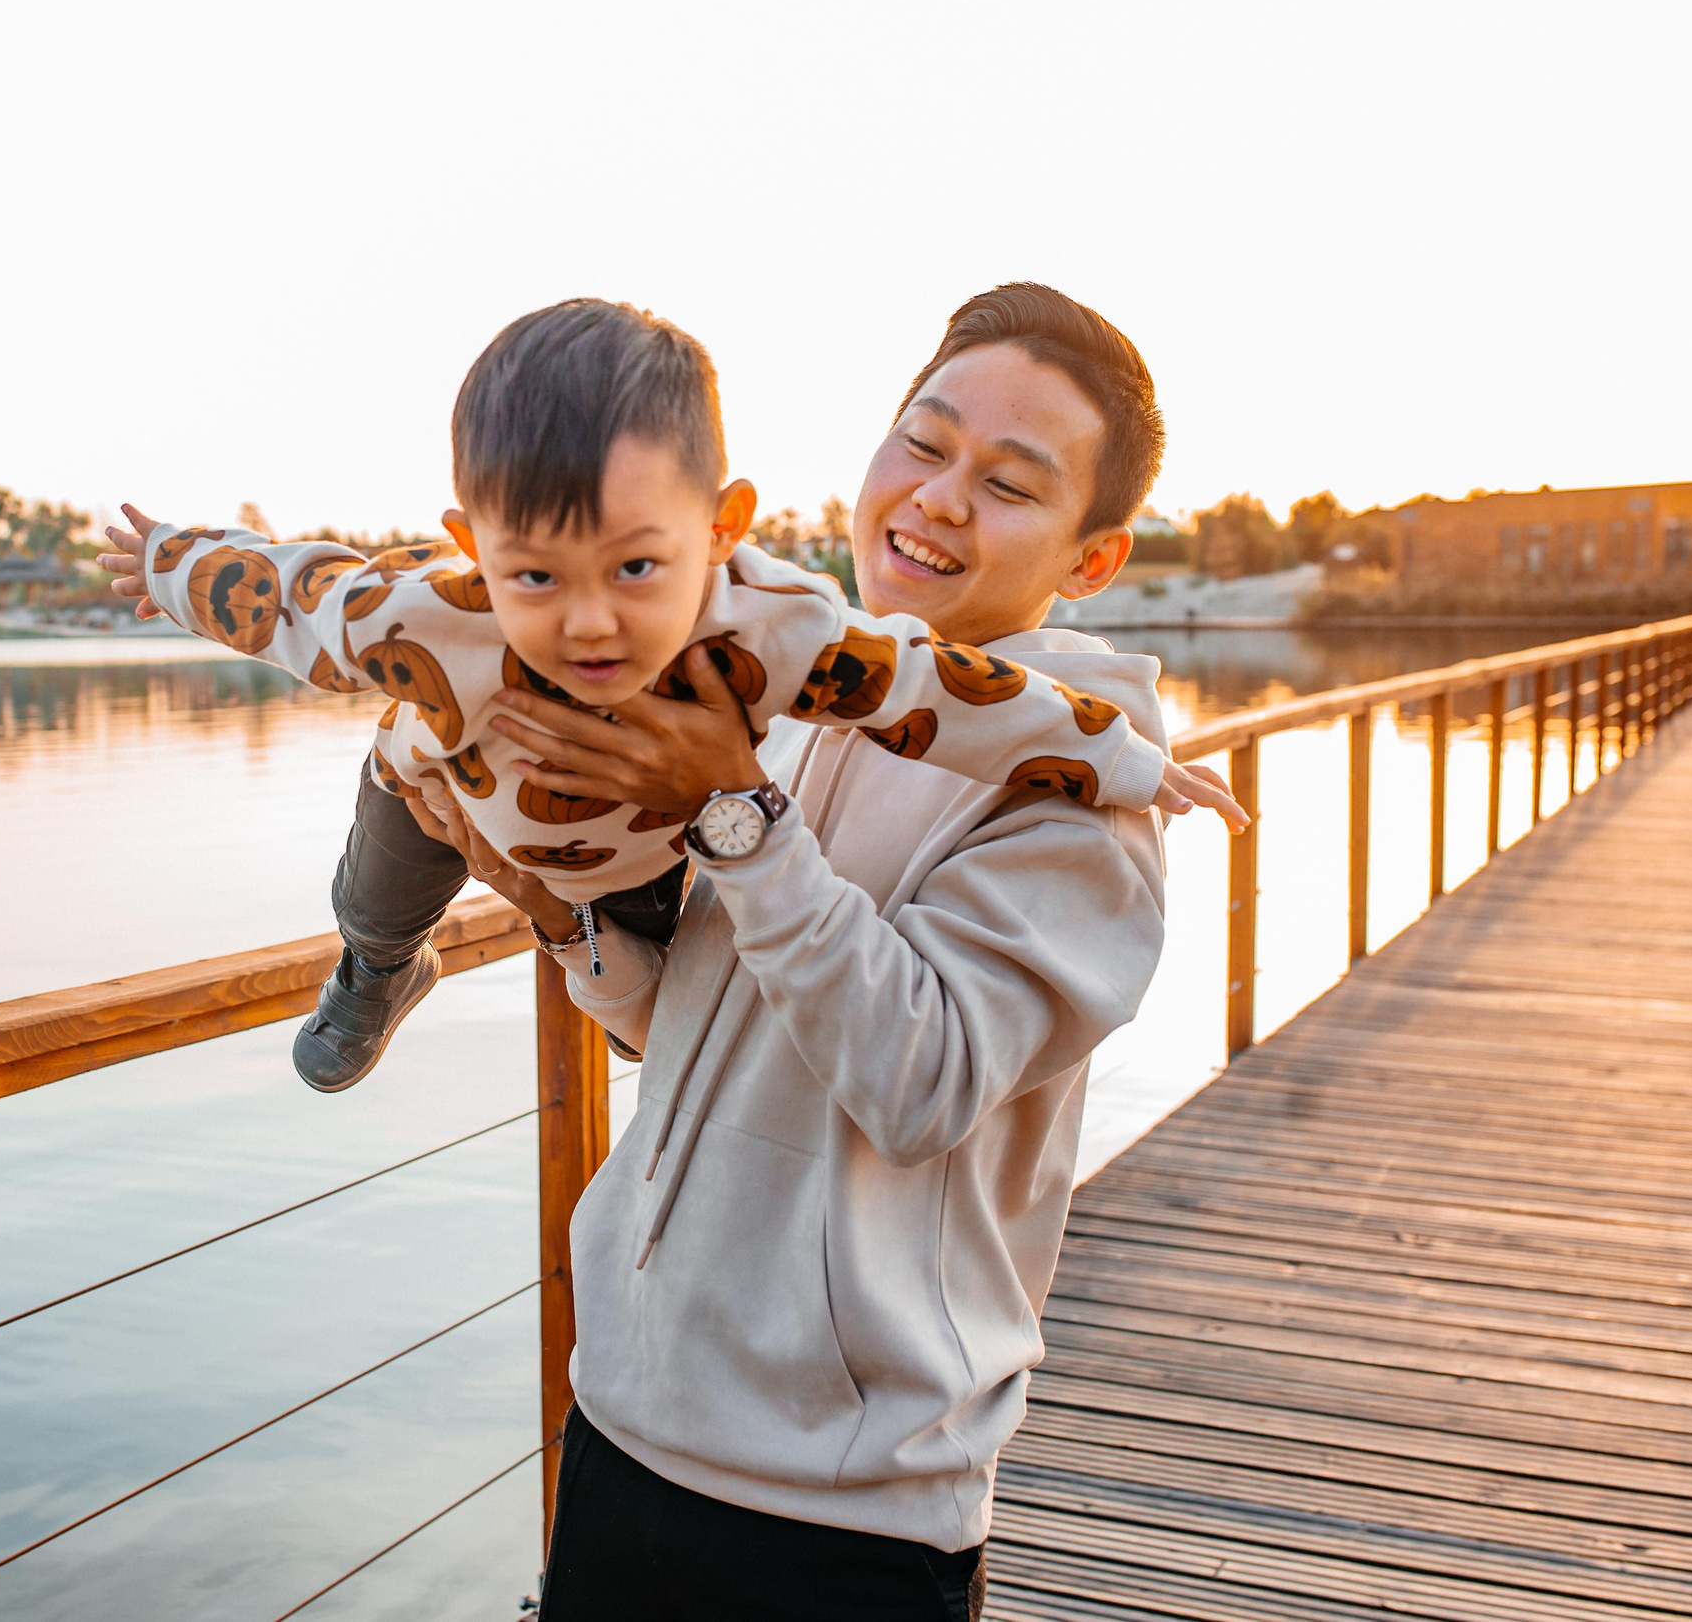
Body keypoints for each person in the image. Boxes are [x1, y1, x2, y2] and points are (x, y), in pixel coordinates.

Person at [412, 283, 1186, 1620]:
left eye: (1008, 481)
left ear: (1092, 556)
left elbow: (919, 1077)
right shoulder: (787, 703)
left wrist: (732, 809)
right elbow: (697, 1029)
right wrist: (553, 906)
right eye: (924, 443)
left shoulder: (1078, 795)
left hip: (842, 1513)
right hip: (626, 1419)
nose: (940, 498)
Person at [95, 299, 1241, 1098]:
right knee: (389, 837)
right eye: (537, 573)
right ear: (472, 548)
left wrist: (1128, 763)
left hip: (637, 866)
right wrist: (164, 563)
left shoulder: (778, 644)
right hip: (462, 789)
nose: (588, 619)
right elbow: (288, 592)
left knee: (647, 877)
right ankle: (379, 966)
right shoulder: (422, 613)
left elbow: (962, 700)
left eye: (1000, 482)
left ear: (720, 530)